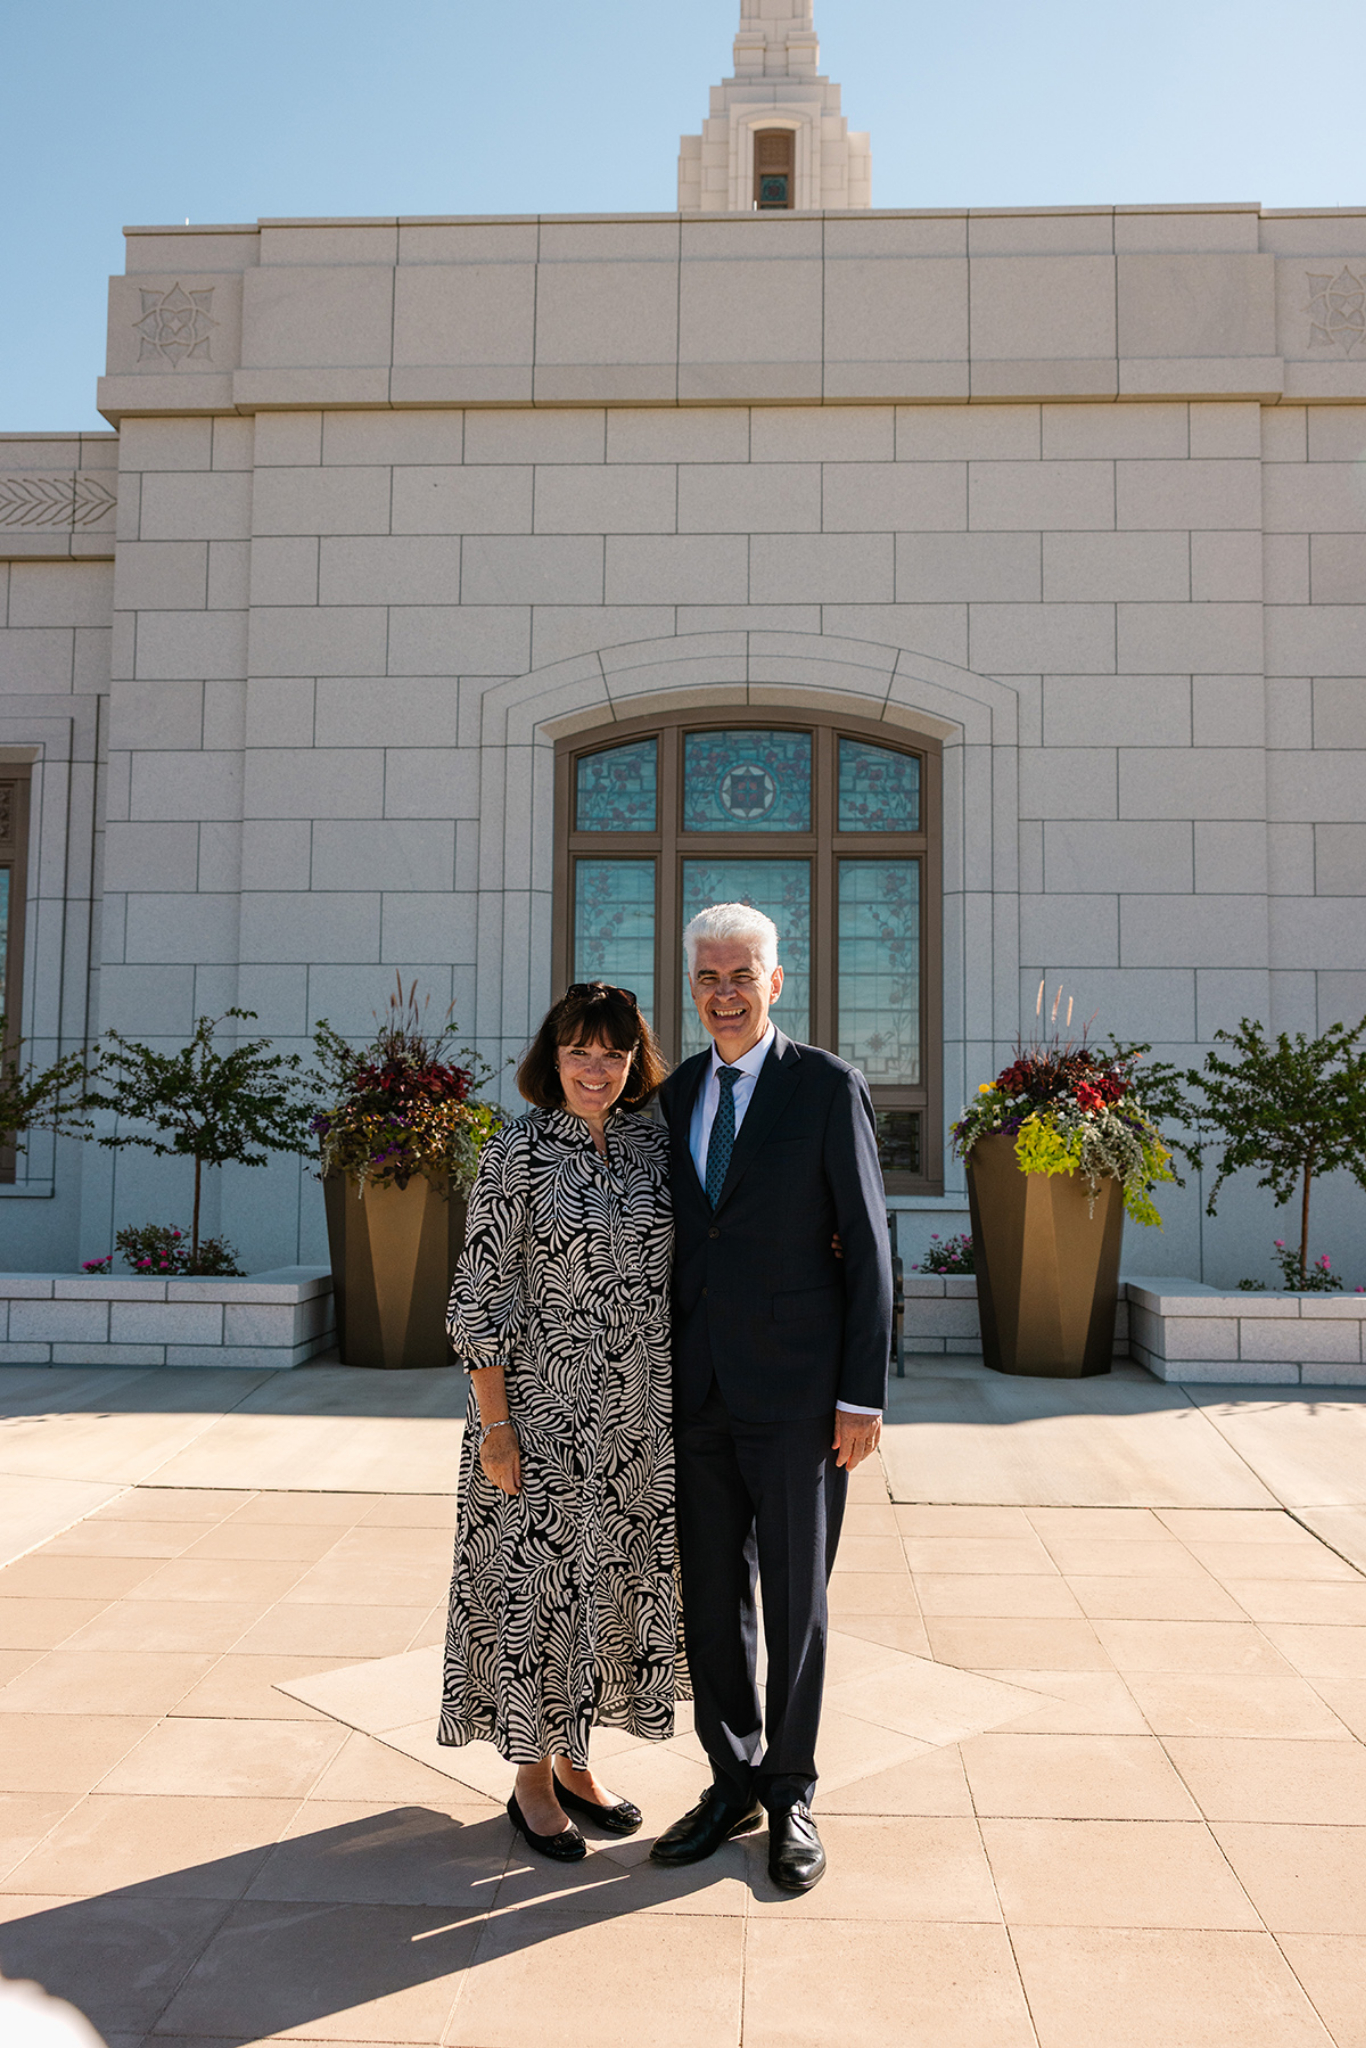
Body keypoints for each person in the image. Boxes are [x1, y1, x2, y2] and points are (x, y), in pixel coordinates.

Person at [650, 903, 892, 1892]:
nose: (725, 992)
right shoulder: (672, 1096)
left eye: (741, 974)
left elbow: (869, 1244)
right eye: (709, 976)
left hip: (800, 1397)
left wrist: (862, 1395)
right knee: (710, 1600)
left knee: (796, 1601)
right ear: (691, 986)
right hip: (696, 1388)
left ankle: (790, 1789)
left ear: (775, 981)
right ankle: (732, 1778)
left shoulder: (826, 1086)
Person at [441, 982, 680, 1862]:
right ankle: (531, 1780)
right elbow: (479, 1297)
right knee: (537, 1593)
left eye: (613, 1054)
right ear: (554, 1057)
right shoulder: (517, 1150)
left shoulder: (655, 1148)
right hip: (540, 1415)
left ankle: (578, 1762)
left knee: (608, 1591)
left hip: (637, 1419)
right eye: (580, 1051)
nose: (596, 1069)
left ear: (634, 1062)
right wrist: (495, 1425)